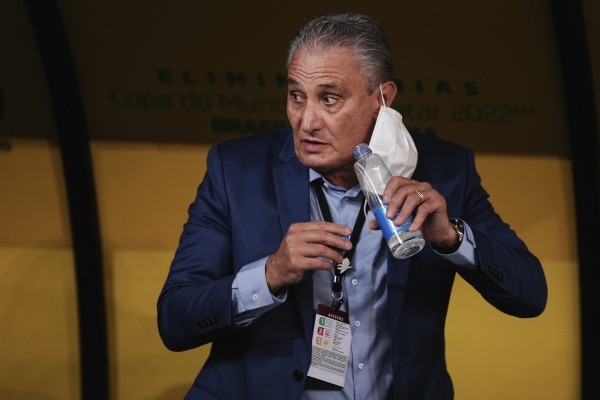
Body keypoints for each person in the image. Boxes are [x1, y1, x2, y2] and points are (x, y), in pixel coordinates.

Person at [157, 12, 547, 400]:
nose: (307, 122)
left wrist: (452, 238)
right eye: (296, 96)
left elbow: (530, 295)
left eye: (329, 98)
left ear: (383, 98)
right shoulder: (236, 171)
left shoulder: (444, 173)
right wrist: (270, 273)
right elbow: (175, 321)